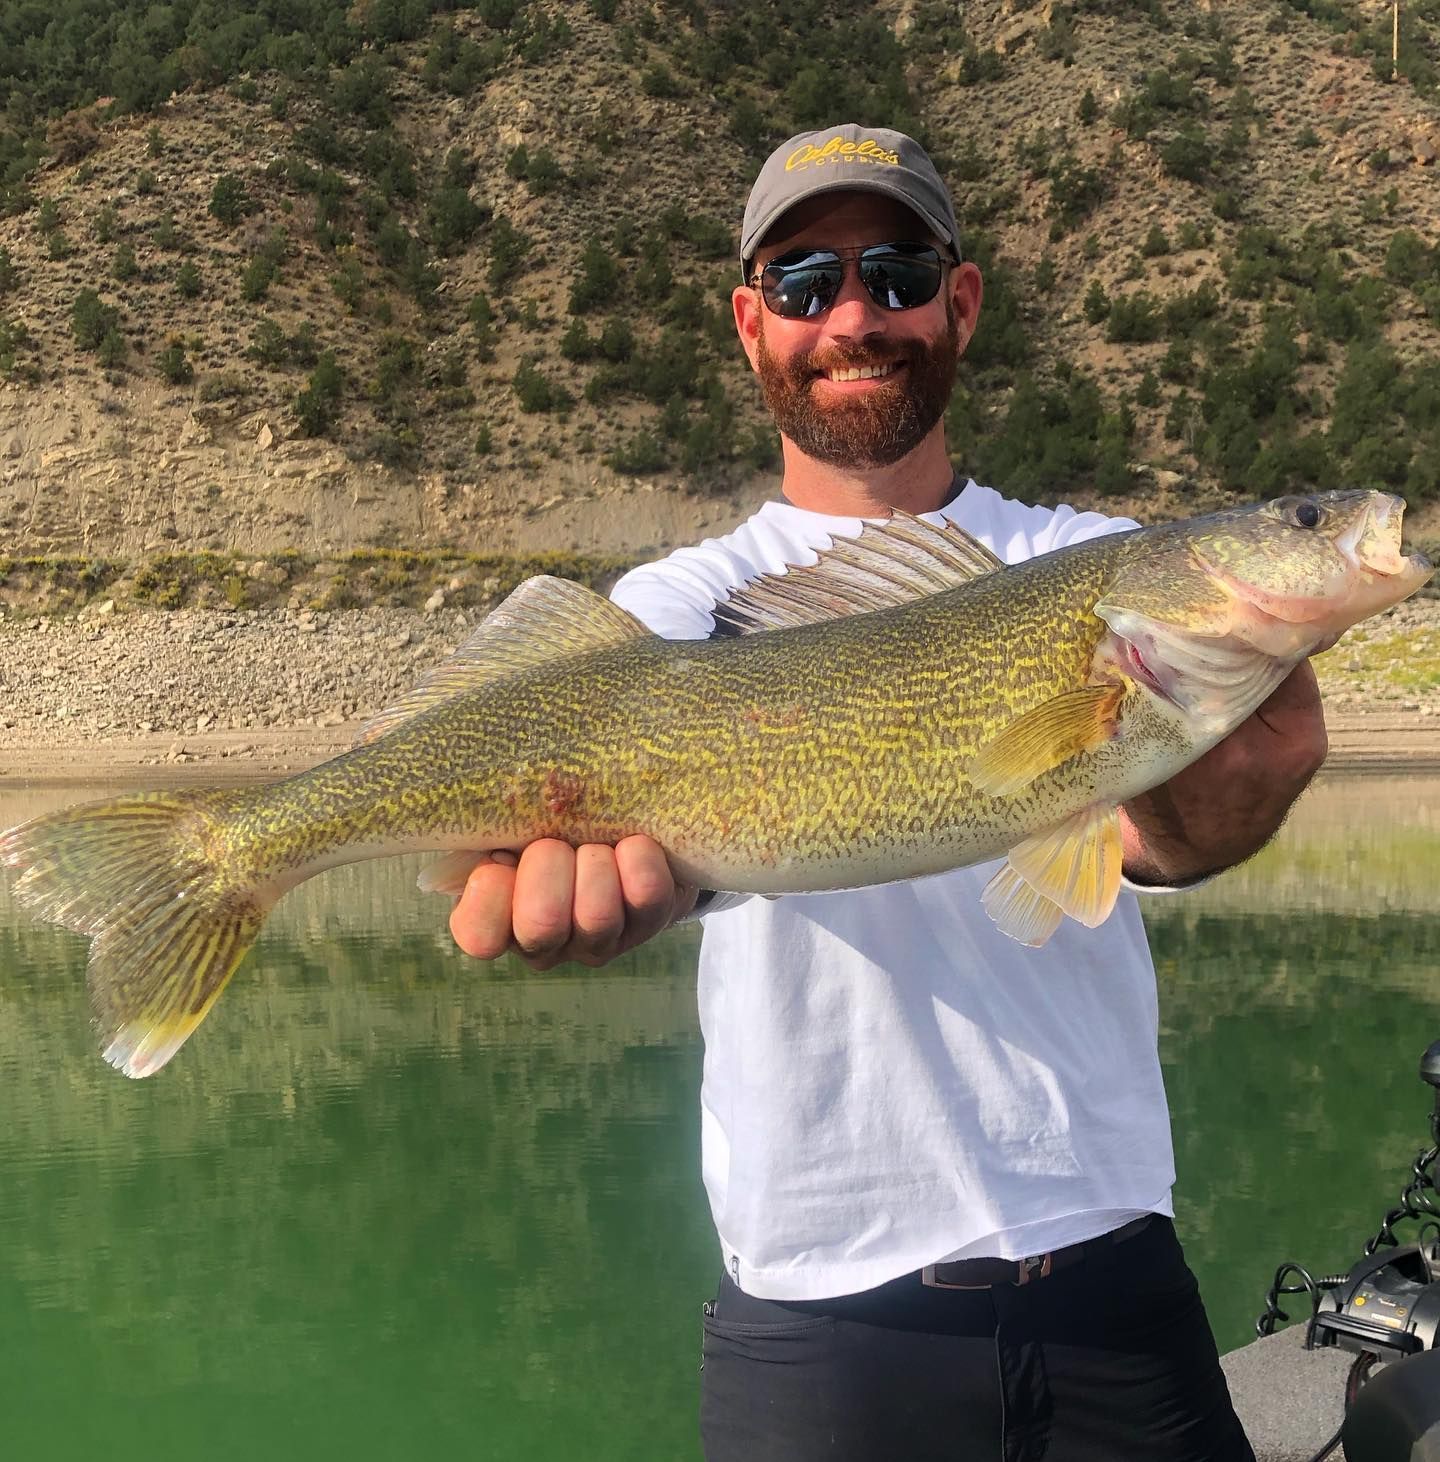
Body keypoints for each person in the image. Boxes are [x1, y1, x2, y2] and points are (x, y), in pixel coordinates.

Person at [446, 124, 1327, 1460]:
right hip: (817, 1330)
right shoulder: (679, 612)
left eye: (896, 269)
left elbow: (1166, 840)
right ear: (752, 324)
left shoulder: (1091, 566)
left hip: (1109, 1281)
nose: (853, 315)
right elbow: (638, 848)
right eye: (805, 283)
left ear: (958, 300)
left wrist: (1221, 793)